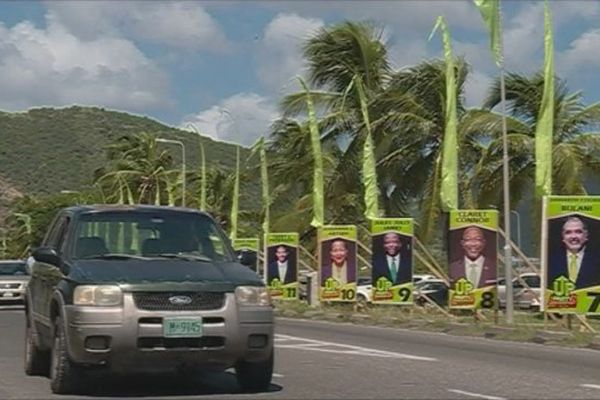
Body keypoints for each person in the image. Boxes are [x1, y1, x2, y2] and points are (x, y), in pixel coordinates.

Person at [548, 216, 600, 289]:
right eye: (568, 232)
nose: (573, 237)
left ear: (586, 235)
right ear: (563, 237)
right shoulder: (550, 261)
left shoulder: (597, 260)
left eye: (578, 232)